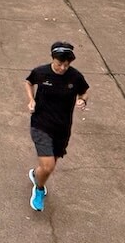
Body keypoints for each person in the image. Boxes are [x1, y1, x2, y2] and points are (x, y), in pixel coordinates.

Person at [24, 42, 90, 212]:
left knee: (48, 166)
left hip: (62, 128)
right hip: (41, 124)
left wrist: (82, 100)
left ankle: (36, 174)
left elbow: (84, 91)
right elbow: (29, 82)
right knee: (48, 167)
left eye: (66, 65)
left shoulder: (75, 77)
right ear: (53, 58)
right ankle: (39, 189)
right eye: (59, 64)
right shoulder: (41, 72)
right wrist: (31, 99)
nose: (62, 68)